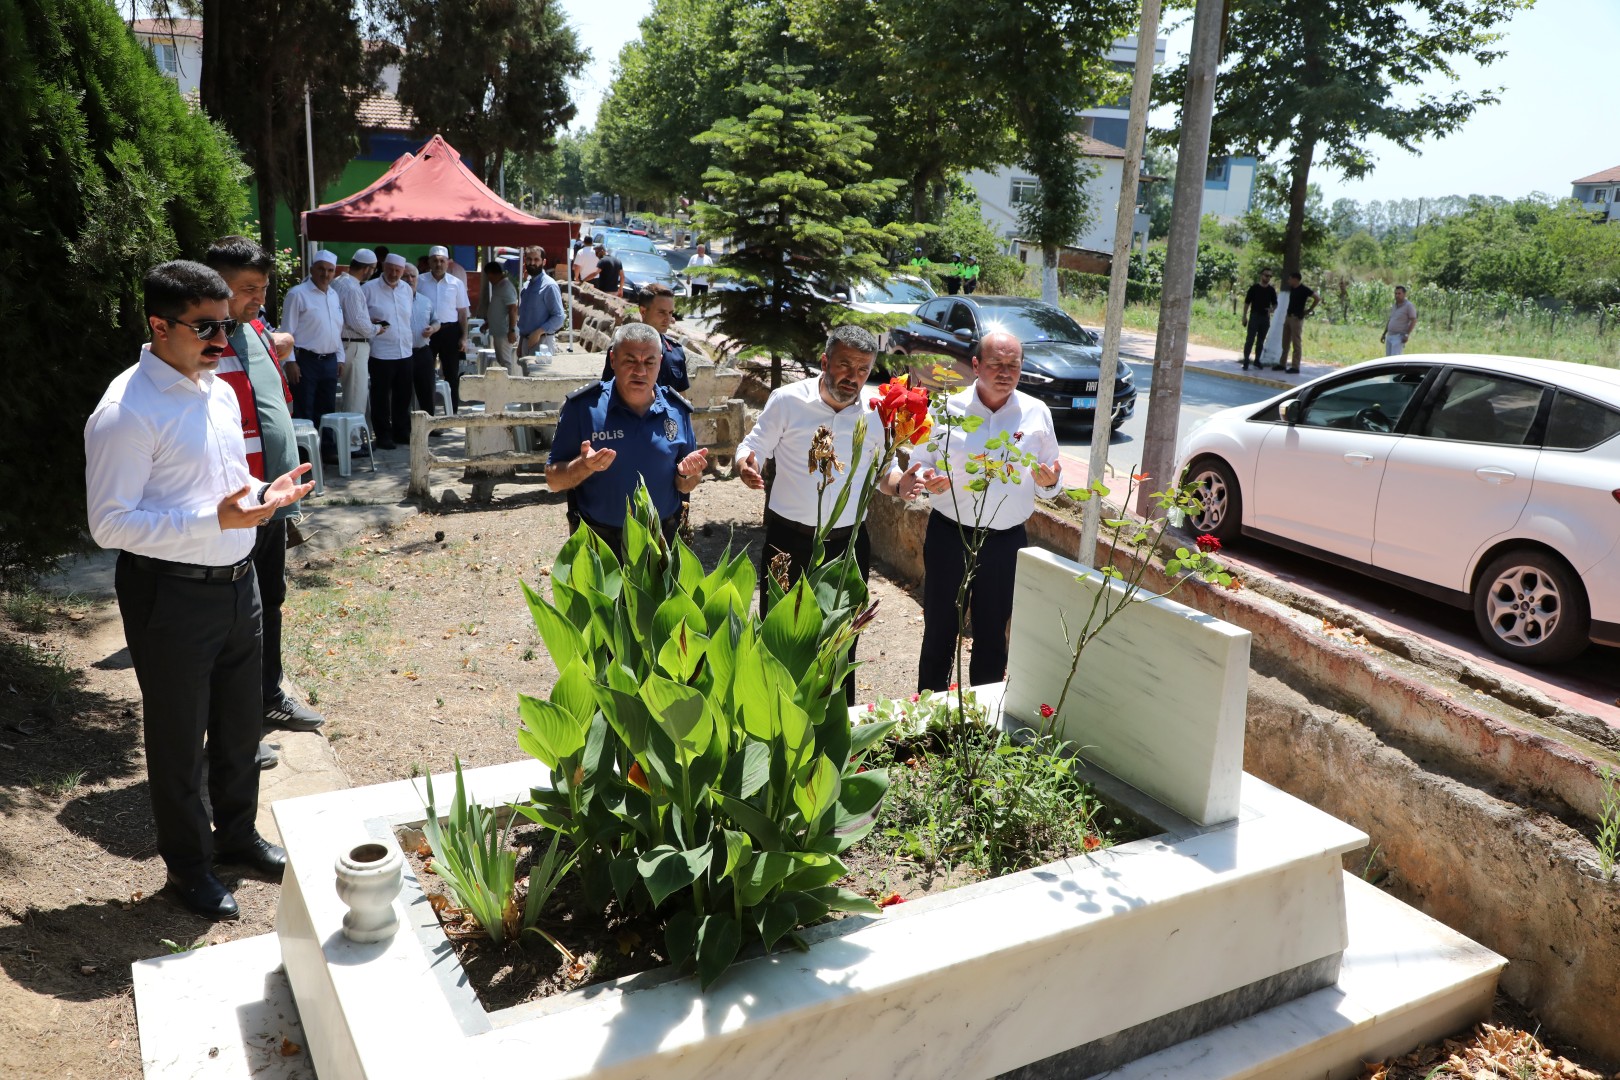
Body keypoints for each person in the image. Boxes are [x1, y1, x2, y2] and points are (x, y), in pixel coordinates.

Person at [85, 260, 315, 919]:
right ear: (159, 326)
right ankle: (189, 867)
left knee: (241, 725)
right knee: (180, 739)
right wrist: (214, 520)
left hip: (238, 582)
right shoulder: (125, 411)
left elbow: (222, 483)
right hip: (171, 594)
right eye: (206, 327)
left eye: (227, 325)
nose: (222, 340)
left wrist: (260, 495)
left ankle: (237, 838)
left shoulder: (216, 388)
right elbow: (109, 524)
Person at [736, 324, 929, 704]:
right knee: (781, 644)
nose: (853, 377)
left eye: (862, 369)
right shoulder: (788, 401)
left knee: (841, 647)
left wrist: (900, 485)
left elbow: (882, 474)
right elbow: (753, 445)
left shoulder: (877, 413)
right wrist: (747, 464)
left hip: (847, 548)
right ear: (825, 362)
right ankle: (778, 722)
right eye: (844, 365)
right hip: (788, 544)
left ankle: (837, 728)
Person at [203, 237, 326, 774]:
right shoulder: (202, 340)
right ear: (216, 285)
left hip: (269, 498)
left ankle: (267, 695)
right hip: (230, 504)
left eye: (263, 288)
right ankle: (231, 731)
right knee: (229, 617)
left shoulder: (254, 329)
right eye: (247, 289)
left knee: (267, 600)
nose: (259, 298)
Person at [915, 331, 1062, 692]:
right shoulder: (946, 409)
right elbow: (919, 463)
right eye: (996, 363)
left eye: (1014, 365)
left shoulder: (1036, 413)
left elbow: (1052, 479)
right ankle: (928, 715)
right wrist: (927, 478)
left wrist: (1050, 483)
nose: (1005, 372)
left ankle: (982, 719)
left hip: (1004, 543)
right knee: (939, 631)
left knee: (993, 637)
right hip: (949, 536)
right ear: (976, 365)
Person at [546, 322, 707, 554]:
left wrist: (688, 474)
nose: (640, 371)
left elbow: (687, 482)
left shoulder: (677, 410)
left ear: (660, 362)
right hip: (600, 542)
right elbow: (553, 480)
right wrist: (584, 466)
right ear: (613, 360)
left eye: (649, 362)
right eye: (630, 361)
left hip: (661, 541)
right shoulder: (584, 408)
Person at [280, 251, 345, 429]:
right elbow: (286, 331)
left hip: (330, 361)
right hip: (305, 361)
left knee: (328, 411)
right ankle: (306, 447)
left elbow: (335, 329)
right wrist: (290, 362)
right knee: (304, 410)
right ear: (312, 270)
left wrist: (340, 357)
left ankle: (327, 444)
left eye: (330, 270)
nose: (326, 274)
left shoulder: (333, 295)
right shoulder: (297, 294)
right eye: (321, 269)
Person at [363, 254, 417, 448]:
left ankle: (401, 431)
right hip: (381, 352)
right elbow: (360, 317)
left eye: (398, 271)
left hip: (405, 350)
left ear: (403, 271)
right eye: (390, 269)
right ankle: (383, 434)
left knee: (403, 394)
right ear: (383, 267)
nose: (394, 274)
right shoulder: (368, 289)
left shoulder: (407, 290)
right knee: (381, 396)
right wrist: (371, 322)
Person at [600, 283, 689, 391]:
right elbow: (607, 391)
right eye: (661, 312)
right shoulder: (622, 348)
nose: (668, 318)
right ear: (643, 311)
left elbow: (681, 396)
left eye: (670, 313)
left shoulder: (675, 352)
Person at [419, 245, 470, 412]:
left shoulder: (456, 283)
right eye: (435, 261)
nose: (438, 264)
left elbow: (462, 313)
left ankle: (452, 411)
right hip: (426, 332)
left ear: (448, 263)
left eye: (442, 261)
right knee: (425, 373)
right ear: (429, 262)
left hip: (450, 332)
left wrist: (464, 337)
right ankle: (427, 412)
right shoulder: (420, 281)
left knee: (451, 374)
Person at [332, 249, 378, 419]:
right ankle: (352, 435)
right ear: (367, 269)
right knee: (355, 399)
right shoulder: (352, 288)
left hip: (342, 344)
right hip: (354, 345)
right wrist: (376, 328)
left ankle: (347, 433)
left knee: (349, 397)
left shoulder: (336, 282)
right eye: (373, 269)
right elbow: (359, 323)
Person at [402, 262, 442, 429]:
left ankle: (429, 426)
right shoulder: (395, 300)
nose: (410, 279)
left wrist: (433, 328)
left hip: (423, 350)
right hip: (402, 353)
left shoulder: (426, 301)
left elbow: (436, 321)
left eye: (413, 276)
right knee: (403, 393)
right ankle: (404, 429)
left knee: (426, 390)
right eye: (405, 276)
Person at [518, 245, 565, 356]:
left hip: (542, 344)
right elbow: (525, 318)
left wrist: (538, 332)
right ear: (525, 261)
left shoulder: (549, 286)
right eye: (529, 259)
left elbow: (559, 317)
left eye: (536, 259)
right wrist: (520, 344)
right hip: (525, 342)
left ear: (543, 262)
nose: (532, 263)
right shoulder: (527, 286)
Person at [480, 260, 520, 372]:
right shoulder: (498, 286)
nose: (489, 280)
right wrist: (488, 324)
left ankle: (509, 381)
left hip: (505, 332)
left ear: (491, 274)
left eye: (489, 277)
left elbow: (513, 309)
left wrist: (511, 330)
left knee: (505, 362)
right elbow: (498, 308)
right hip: (498, 331)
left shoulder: (506, 287)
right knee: (501, 360)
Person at [1279, 271, 1318, 374]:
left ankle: (1295, 366)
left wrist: (1309, 310)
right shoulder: (1292, 288)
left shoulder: (1304, 289)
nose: (1288, 280)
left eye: (1290, 278)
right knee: (1285, 342)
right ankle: (1282, 364)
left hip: (1296, 318)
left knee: (1296, 342)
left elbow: (1317, 298)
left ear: (1295, 279)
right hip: (1288, 316)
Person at [1241, 268, 1278, 371]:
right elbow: (1247, 303)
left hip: (1265, 318)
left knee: (1261, 341)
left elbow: (1275, 304)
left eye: (1270, 276)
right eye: (1266, 275)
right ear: (1261, 275)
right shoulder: (1254, 288)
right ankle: (1246, 360)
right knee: (1250, 339)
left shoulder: (1271, 290)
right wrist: (1244, 316)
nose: (1268, 278)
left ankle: (1257, 360)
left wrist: (1271, 309)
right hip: (1254, 316)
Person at [1382, 285, 1419, 356]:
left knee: (1395, 359)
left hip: (1398, 337)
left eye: (1399, 293)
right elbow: (1390, 320)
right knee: (1388, 360)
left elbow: (1413, 320)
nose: (1397, 295)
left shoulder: (1408, 306)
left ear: (1404, 294)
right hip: (1390, 335)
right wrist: (1384, 334)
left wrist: (1407, 334)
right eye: (1395, 293)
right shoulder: (1394, 306)